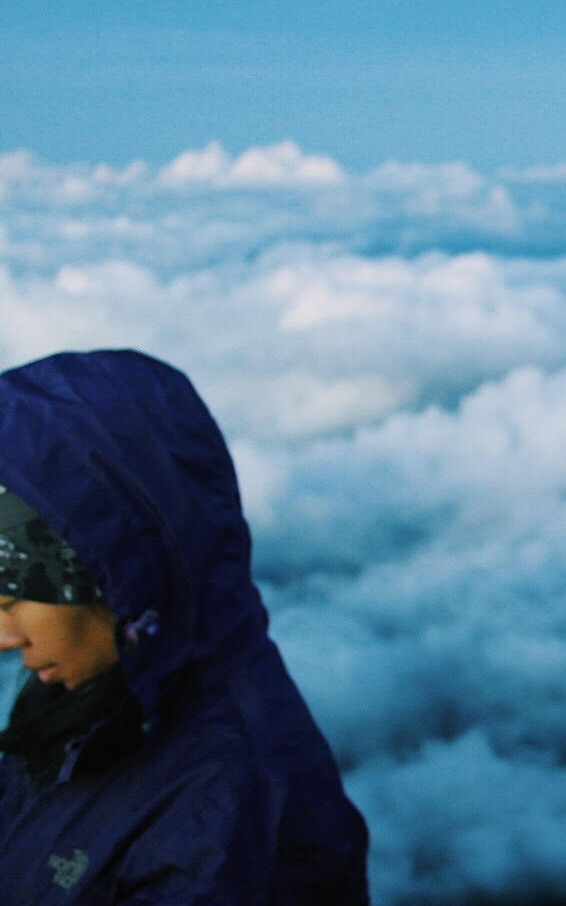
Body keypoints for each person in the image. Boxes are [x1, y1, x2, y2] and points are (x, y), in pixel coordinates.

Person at [0, 349, 369, 904]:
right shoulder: (94, 696)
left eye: (12, 603)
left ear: (114, 576)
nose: (3, 640)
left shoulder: (227, 817)